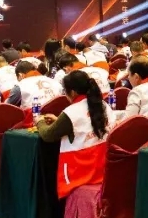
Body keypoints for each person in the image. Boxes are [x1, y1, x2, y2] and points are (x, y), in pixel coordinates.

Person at [37, 70, 115, 199]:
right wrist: (59, 121)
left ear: (72, 92)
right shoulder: (103, 104)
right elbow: (86, 123)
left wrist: (40, 122)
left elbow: (48, 135)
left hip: (81, 170)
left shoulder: (71, 112)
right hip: (103, 166)